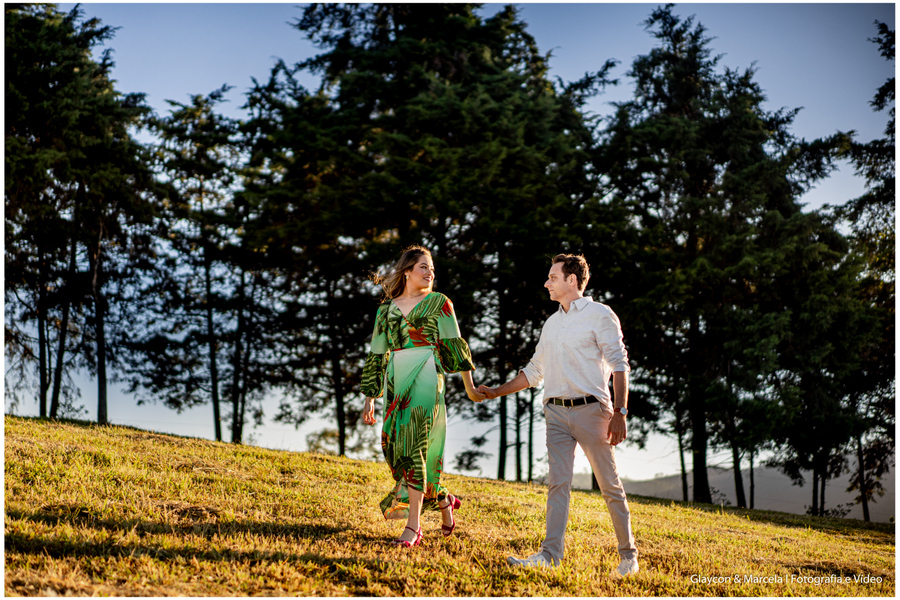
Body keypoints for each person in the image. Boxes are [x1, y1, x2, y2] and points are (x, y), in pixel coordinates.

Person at [477, 253, 639, 577]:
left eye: (553, 277)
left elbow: (620, 364)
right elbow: (534, 372)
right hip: (555, 414)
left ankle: (628, 557)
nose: (546, 283)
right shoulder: (551, 324)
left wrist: (620, 412)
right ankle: (550, 555)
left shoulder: (600, 315)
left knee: (609, 485)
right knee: (557, 485)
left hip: (593, 411)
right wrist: (496, 391)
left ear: (572, 280)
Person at [362, 245, 484, 548]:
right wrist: (370, 397)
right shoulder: (385, 310)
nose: (430, 272)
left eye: (432, 269)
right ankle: (443, 498)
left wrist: (470, 387)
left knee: (415, 445)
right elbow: (377, 353)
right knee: (396, 447)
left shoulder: (440, 303)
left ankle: (413, 527)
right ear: (407, 271)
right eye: (424, 267)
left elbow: (455, 346)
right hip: (395, 379)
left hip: (427, 375)